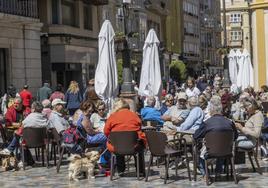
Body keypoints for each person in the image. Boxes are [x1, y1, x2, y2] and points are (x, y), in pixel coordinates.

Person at [194, 96, 238, 178]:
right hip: (227, 151)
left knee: (196, 150)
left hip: (210, 151)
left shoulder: (206, 123)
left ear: (210, 110)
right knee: (222, 144)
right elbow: (235, 136)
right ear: (221, 110)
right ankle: (218, 171)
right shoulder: (230, 122)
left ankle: (205, 174)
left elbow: (196, 136)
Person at [104, 99, 146, 175]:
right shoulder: (134, 115)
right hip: (134, 145)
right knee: (140, 146)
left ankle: (120, 170)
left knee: (118, 143)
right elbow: (139, 127)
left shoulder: (112, 117)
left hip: (116, 147)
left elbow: (106, 132)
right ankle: (140, 171)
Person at [0, 101, 48, 166]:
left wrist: (17, 132)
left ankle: (11, 150)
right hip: (42, 141)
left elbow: (22, 126)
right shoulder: (44, 117)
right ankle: (30, 161)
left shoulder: (29, 117)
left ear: (33, 109)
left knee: (19, 137)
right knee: (20, 137)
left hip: (28, 141)